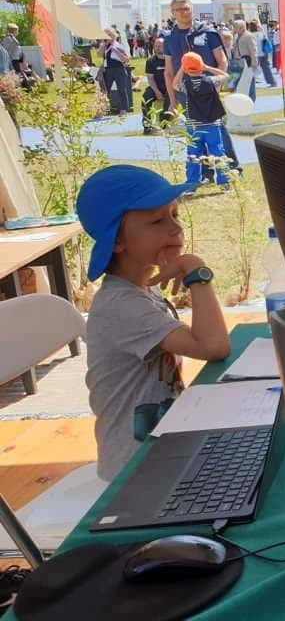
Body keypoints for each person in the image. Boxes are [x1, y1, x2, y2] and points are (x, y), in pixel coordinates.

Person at [77, 164, 231, 482]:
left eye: (175, 214)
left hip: (164, 444)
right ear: (117, 241)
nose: (175, 228)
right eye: (157, 220)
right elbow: (213, 345)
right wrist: (197, 273)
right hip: (134, 471)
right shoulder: (123, 306)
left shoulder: (143, 288)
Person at [176, 52, 232, 189]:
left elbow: (174, 84)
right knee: (218, 152)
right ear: (200, 66)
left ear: (185, 68)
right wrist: (207, 67)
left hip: (193, 125)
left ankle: (191, 184)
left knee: (193, 155)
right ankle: (224, 182)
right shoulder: (211, 81)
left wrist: (181, 69)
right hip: (212, 124)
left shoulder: (186, 84)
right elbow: (226, 76)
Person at [98, 27, 134, 115]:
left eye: (110, 35)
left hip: (119, 69)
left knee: (122, 89)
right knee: (104, 90)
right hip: (108, 70)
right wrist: (103, 44)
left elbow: (126, 59)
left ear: (114, 36)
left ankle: (123, 109)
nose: (108, 37)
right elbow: (99, 55)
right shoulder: (105, 46)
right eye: (106, 35)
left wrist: (116, 51)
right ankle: (101, 110)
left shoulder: (118, 45)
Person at [141, 37, 172, 135]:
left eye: (160, 46)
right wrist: (156, 91)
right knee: (145, 98)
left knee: (170, 99)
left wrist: (170, 90)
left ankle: (163, 122)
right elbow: (150, 78)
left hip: (170, 87)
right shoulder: (150, 61)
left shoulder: (170, 59)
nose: (158, 48)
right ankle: (147, 124)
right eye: (156, 46)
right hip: (156, 87)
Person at [230, 19, 259, 101]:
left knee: (250, 83)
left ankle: (251, 100)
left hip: (247, 62)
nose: (234, 28)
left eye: (235, 27)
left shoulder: (249, 36)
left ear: (242, 27)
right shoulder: (236, 36)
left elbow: (253, 51)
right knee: (239, 83)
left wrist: (254, 64)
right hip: (237, 63)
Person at [251, 19, 276, 87]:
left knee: (251, 69)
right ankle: (272, 82)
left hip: (255, 54)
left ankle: (251, 83)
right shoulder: (261, 34)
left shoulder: (251, 35)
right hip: (263, 53)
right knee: (266, 69)